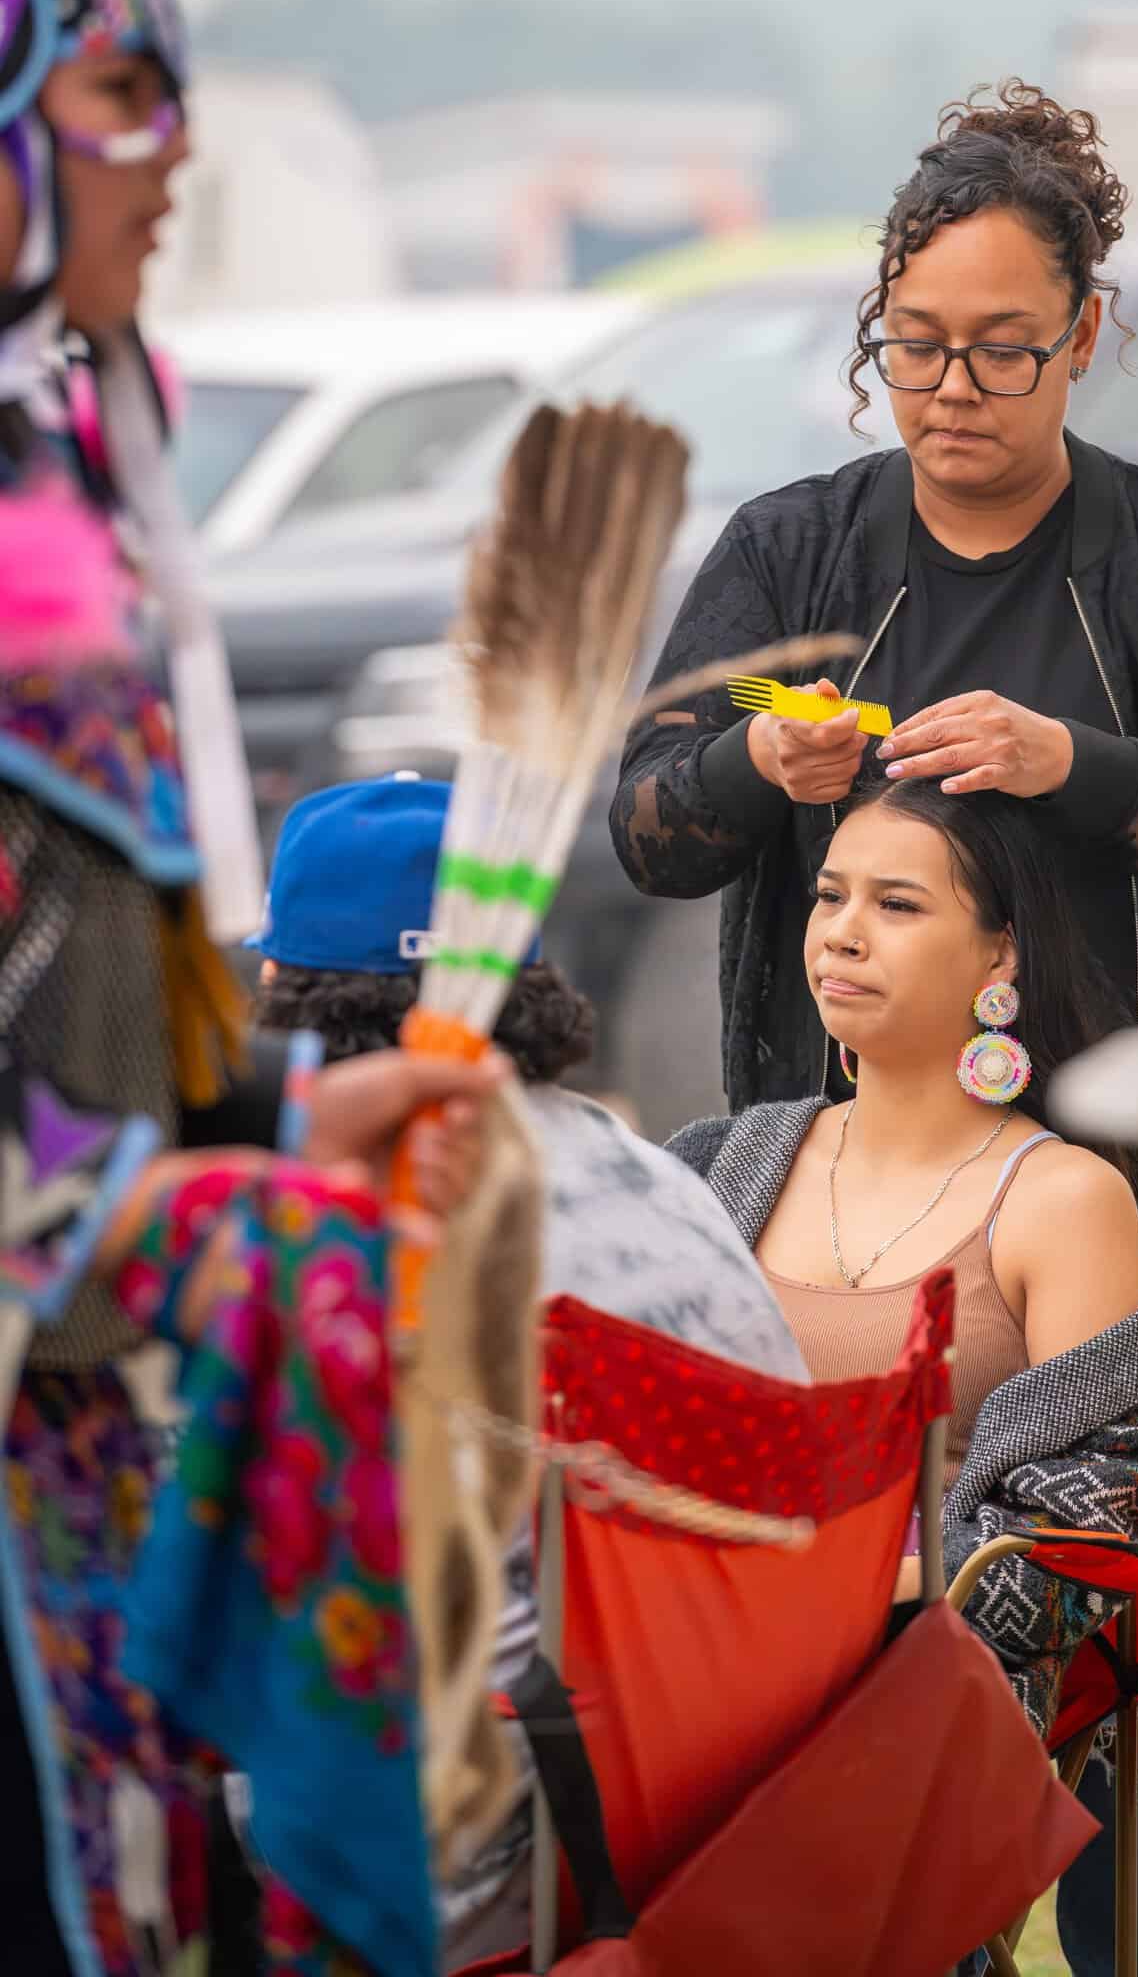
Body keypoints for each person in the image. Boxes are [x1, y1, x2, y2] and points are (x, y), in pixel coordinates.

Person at [612, 81, 1138, 1972]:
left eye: (1003, 348)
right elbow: (648, 823)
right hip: (853, 1244)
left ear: (1086, 334)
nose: (951, 390)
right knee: (848, 1731)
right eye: (913, 345)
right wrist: (757, 763)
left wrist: (1068, 761)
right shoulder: (797, 555)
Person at [0, 0, 501, 1972]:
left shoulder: (84, 506)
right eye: (120, 91)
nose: (174, 145)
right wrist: (185, 1217)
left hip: (79, 1468)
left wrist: (286, 1134)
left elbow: (98, 1049)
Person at [248, 772, 809, 1964]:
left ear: (287, 992)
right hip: (740, 1791)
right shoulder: (654, 1173)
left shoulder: (360, 1228)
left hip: (500, 1824)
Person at [669, 779, 1138, 1735]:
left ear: (1001, 952)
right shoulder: (723, 1164)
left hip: (922, 1695)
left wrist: (844, 1586)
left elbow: (1109, 1513)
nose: (842, 934)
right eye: (830, 895)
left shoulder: (1062, 1199)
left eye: (897, 905)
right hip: (686, 1650)